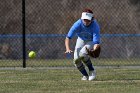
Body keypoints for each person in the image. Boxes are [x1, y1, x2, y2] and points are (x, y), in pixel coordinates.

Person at [65, 8, 101, 81]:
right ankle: (85, 75)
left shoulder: (95, 26)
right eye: (84, 19)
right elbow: (68, 38)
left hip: (91, 41)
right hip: (81, 39)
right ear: (82, 18)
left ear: (92, 19)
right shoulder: (77, 24)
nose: (86, 21)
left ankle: (92, 71)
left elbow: (96, 42)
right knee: (76, 60)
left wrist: (95, 49)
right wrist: (67, 48)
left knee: (83, 54)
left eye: (88, 20)